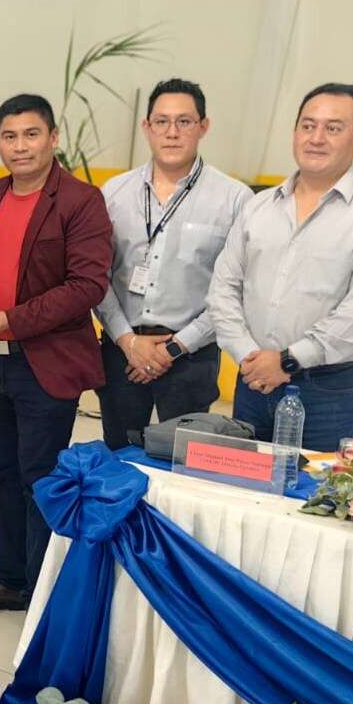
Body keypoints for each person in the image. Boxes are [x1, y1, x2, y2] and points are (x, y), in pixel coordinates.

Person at [0, 94, 112, 615]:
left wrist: (15, 320)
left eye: (31, 134)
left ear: (53, 138)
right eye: (9, 136)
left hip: (43, 363)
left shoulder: (81, 201)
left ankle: (43, 593)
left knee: (39, 479)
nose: (20, 146)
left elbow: (87, 285)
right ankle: (7, 580)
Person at [208, 83, 353, 452]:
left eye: (333, 128)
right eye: (307, 125)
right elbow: (224, 286)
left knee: (320, 487)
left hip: (330, 392)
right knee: (243, 481)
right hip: (253, 381)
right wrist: (247, 355)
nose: (316, 138)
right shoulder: (259, 206)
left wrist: (287, 361)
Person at [94, 78, 253, 449]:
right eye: (161, 121)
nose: (172, 132)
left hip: (192, 357)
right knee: (119, 458)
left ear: (203, 127)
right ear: (146, 127)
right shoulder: (113, 193)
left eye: (184, 121)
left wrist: (175, 348)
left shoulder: (235, 200)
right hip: (121, 352)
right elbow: (97, 277)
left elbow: (235, 290)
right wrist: (128, 340)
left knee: (186, 463)